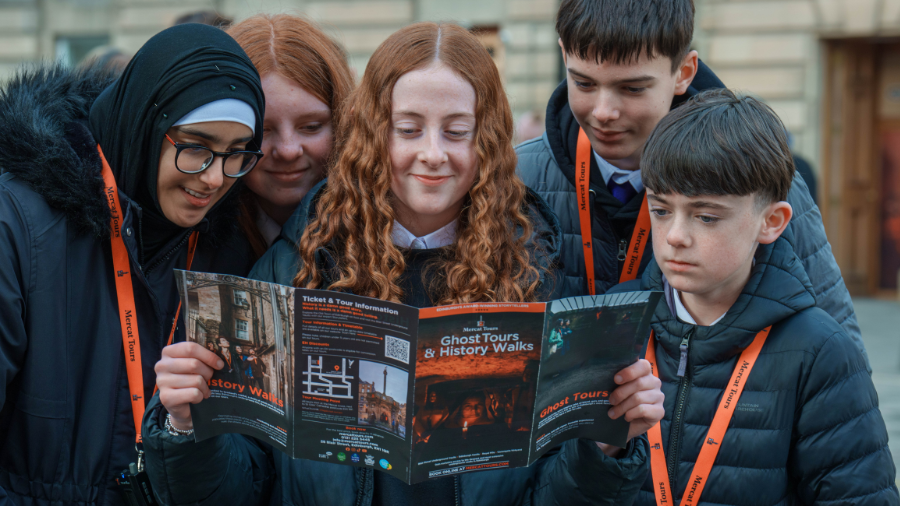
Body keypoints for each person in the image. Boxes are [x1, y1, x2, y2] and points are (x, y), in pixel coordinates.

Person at [144, 22, 664, 506]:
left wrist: (604, 449)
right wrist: (189, 427)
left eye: (456, 131)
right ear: (374, 136)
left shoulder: (537, 273)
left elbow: (552, 493)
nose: (433, 154)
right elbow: (242, 484)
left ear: (486, 141)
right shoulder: (298, 264)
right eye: (408, 129)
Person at [515, 0, 870, 371]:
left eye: (633, 88)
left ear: (684, 71)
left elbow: (841, 358)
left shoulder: (760, 177)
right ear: (563, 55)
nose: (604, 111)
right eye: (583, 83)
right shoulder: (517, 177)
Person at [0, 24, 264, 506]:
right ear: (143, 126)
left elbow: (243, 479)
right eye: (195, 147)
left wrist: (187, 432)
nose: (213, 178)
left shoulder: (227, 249)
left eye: (235, 155)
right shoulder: (19, 223)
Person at [612, 89, 898, 505]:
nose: (675, 235)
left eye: (706, 216)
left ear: (772, 222)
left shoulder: (819, 351)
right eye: (661, 210)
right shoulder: (611, 321)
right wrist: (598, 454)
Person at [227, 14, 355, 262]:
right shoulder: (193, 240)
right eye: (261, 131)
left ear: (344, 124)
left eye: (311, 127)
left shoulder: (385, 229)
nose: (287, 150)